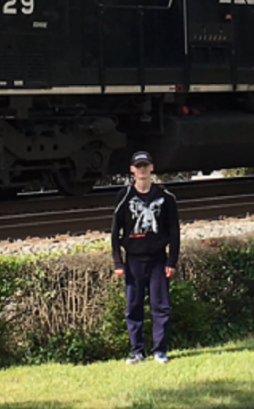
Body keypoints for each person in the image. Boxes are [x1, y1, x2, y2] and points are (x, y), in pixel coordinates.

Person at [111, 150, 180, 365]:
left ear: (152, 168)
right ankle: (136, 351)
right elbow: (115, 231)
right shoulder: (124, 196)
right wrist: (118, 262)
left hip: (158, 259)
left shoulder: (165, 197)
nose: (142, 170)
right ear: (132, 170)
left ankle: (159, 350)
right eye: (138, 166)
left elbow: (174, 231)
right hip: (133, 260)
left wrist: (172, 261)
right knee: (134, 306)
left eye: (145, 166)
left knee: (161, 306)